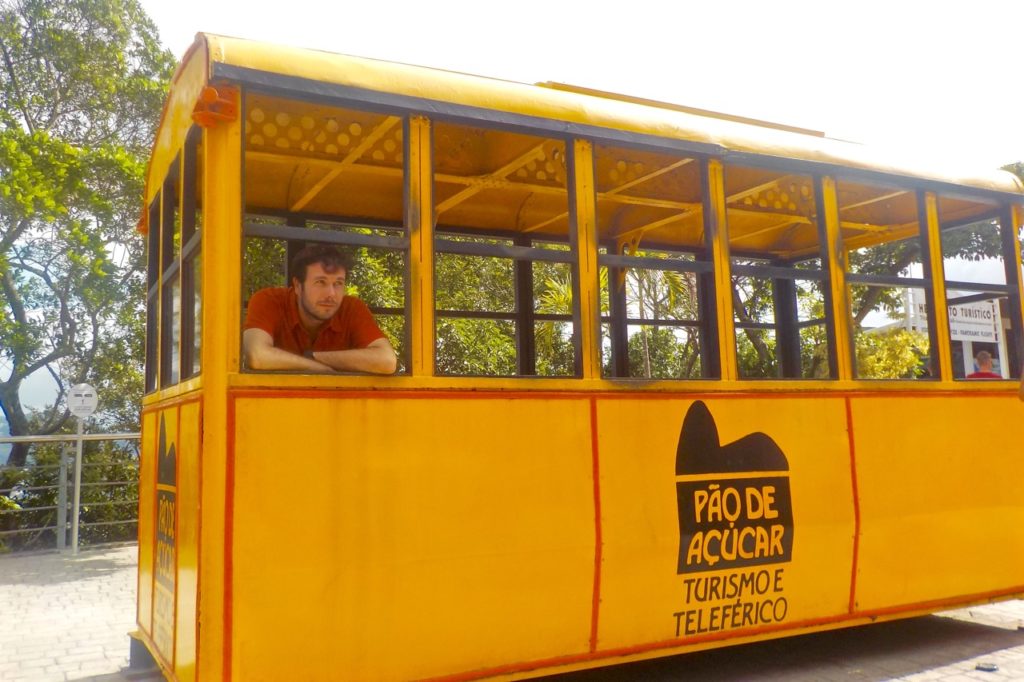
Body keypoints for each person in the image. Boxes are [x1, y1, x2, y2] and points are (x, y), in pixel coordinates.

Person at [243, 244, 397, 374]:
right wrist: (320, 369)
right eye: (320, 282)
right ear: (297, 286)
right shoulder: (269, 300)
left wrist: (312, 357)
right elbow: (256, 355)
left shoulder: (351, 308)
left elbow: (387, 361)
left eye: (338, 283)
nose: (331, 294)